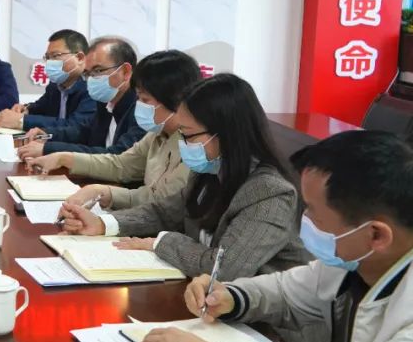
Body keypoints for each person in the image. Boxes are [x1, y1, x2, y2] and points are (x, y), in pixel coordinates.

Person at [129, 130, 413, 342]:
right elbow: (286, 291)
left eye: (313, 212)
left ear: (377, 235)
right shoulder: (354, 262)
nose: (303, 219)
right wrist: (230, 296)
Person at [57, 73, 309, 279]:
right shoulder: (209, 171)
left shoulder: (269, 192)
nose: (183, 144)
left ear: (226, 134)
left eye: (188, 136)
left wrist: (160, 243)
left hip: (263, 320)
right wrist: (102, 224)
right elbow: (164, 212)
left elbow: (225, 268)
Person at [29, 50, 200, 211]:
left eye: (145, 99)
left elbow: (163, 201)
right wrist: (65, 158)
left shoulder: (197, 146)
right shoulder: (158, 132)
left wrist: (103, 192)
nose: (139, 105)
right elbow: (121, 165)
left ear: (176, 99)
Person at [16, 36, 145, 159]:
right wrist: (47, 134)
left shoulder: (143, 110)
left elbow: (117, 156)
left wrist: (49, 149)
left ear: (125, 72)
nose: (91, 79)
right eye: (88, 73)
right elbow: (83, 132)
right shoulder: (105, 102)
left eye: (98, 71)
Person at [0, 29, 96, 135]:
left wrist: (21, 120)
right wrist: (26, 109)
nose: (49, 62)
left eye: (55, 56)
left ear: (79, 58)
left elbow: (74, 127)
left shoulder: (93, 88)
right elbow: (40, 107)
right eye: (47, 57)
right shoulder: (55, 86)